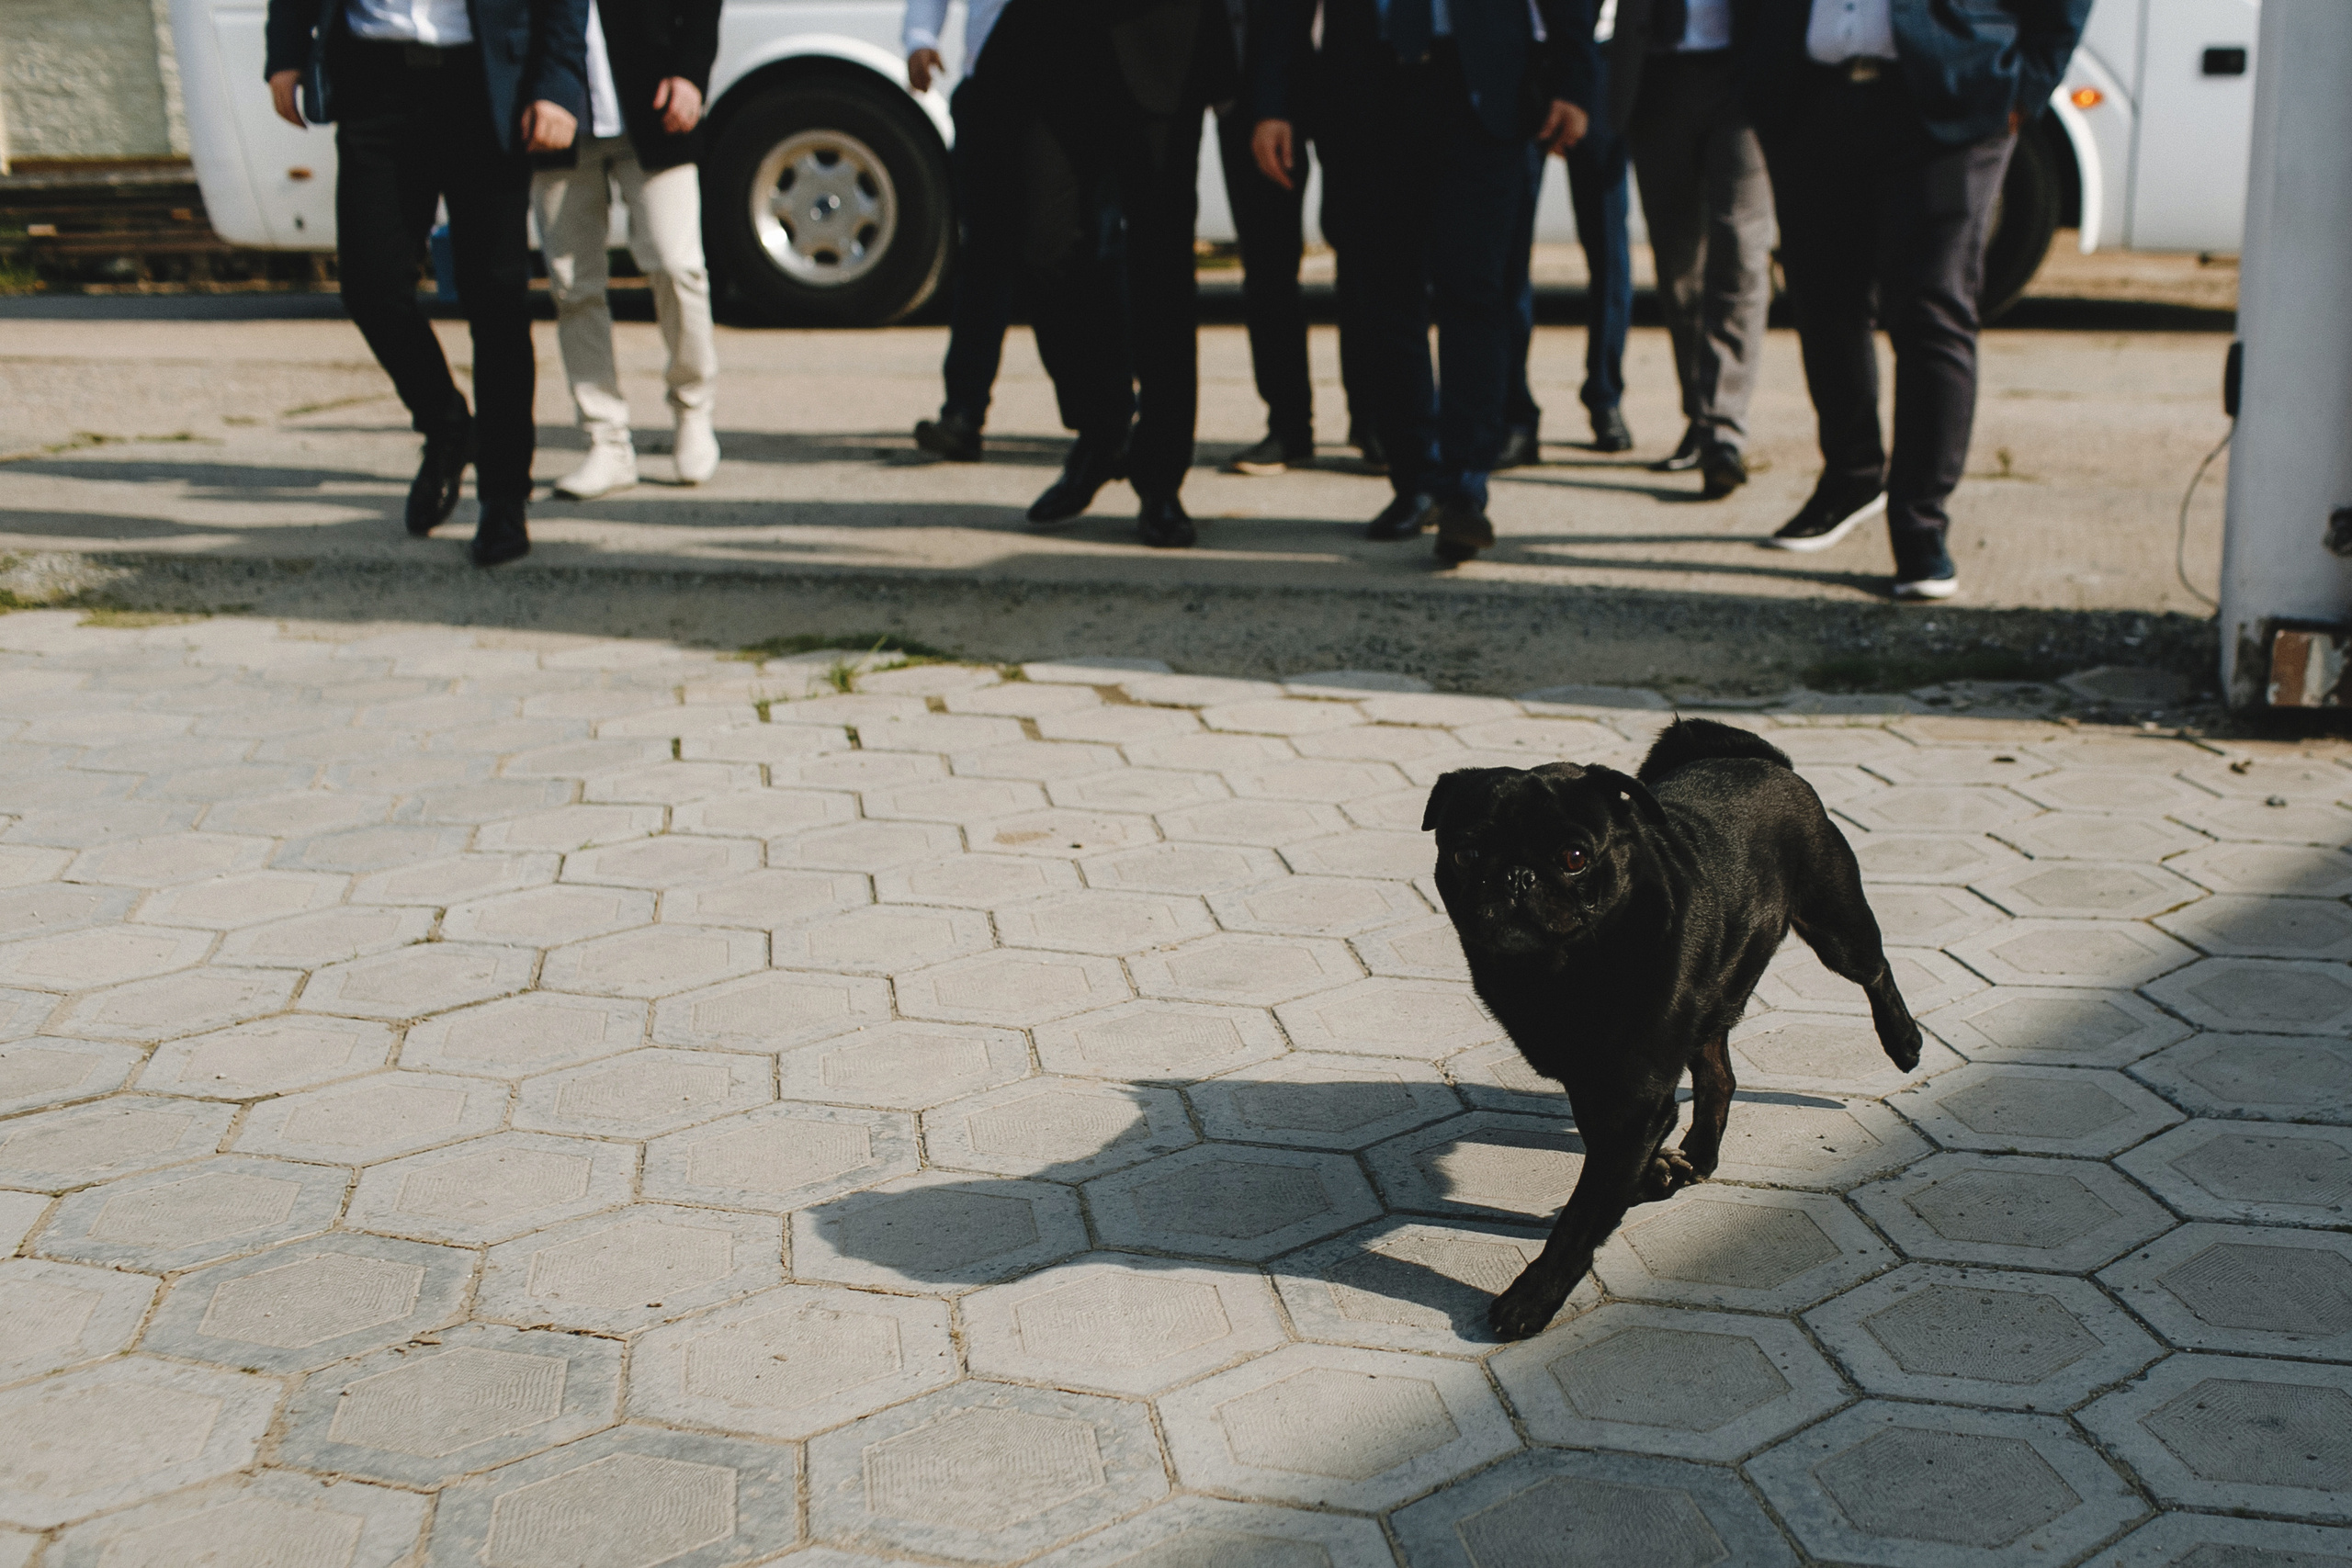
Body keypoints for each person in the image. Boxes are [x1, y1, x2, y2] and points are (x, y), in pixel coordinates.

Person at [1746, 0, 2090, 598]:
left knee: (1933, 308)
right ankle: (1851, 477)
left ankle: (1920, 525)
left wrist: (2027, 86)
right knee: (1822, 299)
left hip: (1951, 98)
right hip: (1810, 96)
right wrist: (1756, 72)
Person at [1256, 0, 1599, 563]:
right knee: (1385, 301)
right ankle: (1415, 479)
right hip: (1365, 91)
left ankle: (1466, 486)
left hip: (1483, 88)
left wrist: (1576, 81)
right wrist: (1272, 103)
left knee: (1475, 294)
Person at [266, 0, 586, 567]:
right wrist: (285, 52)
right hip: (373, 79)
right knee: (370, 287)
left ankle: (505, 497)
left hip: (484, 81)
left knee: (496, 299)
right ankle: (447, 428)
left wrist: (558, 82)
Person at [1016, 0, 1238, 548]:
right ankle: (1103, 426)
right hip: (1056, 48)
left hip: (1164, 48)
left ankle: (1161, 478)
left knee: (1161, 275)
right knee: (1041, 243)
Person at [535, 0, 724, 500]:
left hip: (655, 104)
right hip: (557, 114)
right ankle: (606, 441)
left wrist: (690, 73)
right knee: (573, 285)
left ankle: (693, 410)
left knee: (676, 266)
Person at [1610, 0, 1772, 499]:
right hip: (1656, 74)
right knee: (1679, 267)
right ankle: (1701, 416)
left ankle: (1724, 430)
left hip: (1744, 75)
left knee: (1741, 252)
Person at [1214, 0, 1374, 477]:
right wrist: (1267, 102)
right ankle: (1287, 425)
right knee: (1267, 263)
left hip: (1360, 73)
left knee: (1367, 255)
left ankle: (1373, 419)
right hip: (1254, 74)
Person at [1497, 38, 1635, 469]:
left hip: (1599, 56)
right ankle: (1516, 414)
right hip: (1520, 60)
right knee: (1508, 253)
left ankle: (1605, 395)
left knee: (1609, 250)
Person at [905, 0, 1014, 464]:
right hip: (986, 88)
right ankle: (963, 413)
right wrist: (921, 37)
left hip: (1068, 96)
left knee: (1082, 255)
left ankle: (1106, 416)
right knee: (985, 258)